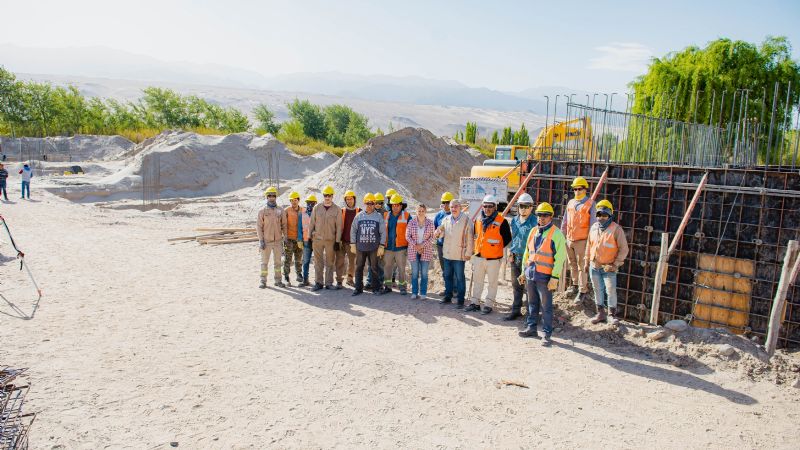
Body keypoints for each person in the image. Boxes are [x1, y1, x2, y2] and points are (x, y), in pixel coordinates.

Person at [518, 202, 567, 346]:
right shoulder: (533, 231)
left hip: (545, 277)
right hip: (531, 274)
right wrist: (523, 272)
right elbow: (527, 252)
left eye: (545, 215)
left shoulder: (556, 234)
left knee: (546, 307)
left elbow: (560, 258)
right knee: (532, 303)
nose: (542, 218)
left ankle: (546, 334)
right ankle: (531, 328)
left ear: (551, 217)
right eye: (539, 215)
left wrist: (555, 277)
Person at [585, 200, 629, 325]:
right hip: (594, 266)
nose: (601, 217)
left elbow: (624, 249)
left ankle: (611, 315)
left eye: (604, 215)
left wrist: (615, 265)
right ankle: (600, 313)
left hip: (608, 268)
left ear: (610, 215)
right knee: (597, 289)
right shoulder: (594, 228)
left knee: (610, 291)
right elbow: (589, 245)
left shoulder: (616, 229)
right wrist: (586, 262)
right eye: (599, 215)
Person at [466, 194, 512, 315]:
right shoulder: (478, 220)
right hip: (479, 257)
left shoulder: (502, 221)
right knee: (478, 281)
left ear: (495, 207)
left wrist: (495, 248)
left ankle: (488, 304)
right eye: (485, 206)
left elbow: (507, 239)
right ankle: (475, 303)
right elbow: (477, 236)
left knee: (492, 283)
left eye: (490, 206)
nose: (487, 209)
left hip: (493, 259)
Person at [561, 176, 596, 303]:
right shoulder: (570, 203)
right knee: (572, 264)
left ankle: (582, 290)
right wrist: (562, 235)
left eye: (579, 189)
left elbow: (593, 225)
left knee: (582, 266)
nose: (577, 191)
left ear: (585, 189)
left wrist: (590, 243)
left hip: (582, 240)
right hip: (570, 239)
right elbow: (565, 221)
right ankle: (575, 285)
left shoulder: (590, 204)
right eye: (575, 189)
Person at [434, 199, 474, 308]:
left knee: (460, 277)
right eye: (452, 207)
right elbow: (441, 234)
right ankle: (448, 296)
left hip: (460, 254)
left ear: (460, 207)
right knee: (447, 276)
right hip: (447, 253)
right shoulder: (446, 219)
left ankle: (460, 300)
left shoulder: (466, 220)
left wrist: (469, 253)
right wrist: (437, 233)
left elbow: (470, 238)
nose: (453, 209)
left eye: (456, 206)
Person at [504, 193, 537, 321]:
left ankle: (530, 314)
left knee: (530, 288)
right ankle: (516, 310)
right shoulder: (515, 221)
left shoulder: (535, 222)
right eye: (521, 206)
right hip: (515, 257)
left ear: (531, 207)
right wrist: (511, 253)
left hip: (528, 259)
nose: (523, 209)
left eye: (526, 206)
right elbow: (514, 238)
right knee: (516, 286)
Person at [350, 193, 386, 296]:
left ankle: (376, 288)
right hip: (361, 247)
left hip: (373, 248)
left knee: (374, 268)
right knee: (359, 267)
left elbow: (383, 232)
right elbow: (353, 230)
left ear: (374, 204)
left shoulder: (378, 216)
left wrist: (381, 245)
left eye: (371, 203)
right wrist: (353, 243)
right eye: (367, 203)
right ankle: (358, 288)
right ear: (364, 203)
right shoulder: (359, 216)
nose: (369, 205)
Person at [309, 185, 343, 291]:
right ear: (323, 196)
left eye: (329, 195)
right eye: (325, 195)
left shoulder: (337, 209)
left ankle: (328, 283)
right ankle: (318, 283)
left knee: (330, 262)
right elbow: (312, 223)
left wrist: (337, 241)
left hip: (330, 241)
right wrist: (310, 238)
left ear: (332, 196)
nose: (327, 197)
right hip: (317, 240)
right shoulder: (317, 208)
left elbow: (339, 226)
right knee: (318, 262)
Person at [257, 187, 287, 289]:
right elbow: (259, 227)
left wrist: (285, 238)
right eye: (269, 195)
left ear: (276, 196)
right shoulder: (262, 211)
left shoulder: (280, 210)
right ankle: (263, 281)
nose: (271, 197)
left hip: (278, 241)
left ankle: (278, 280)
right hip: (266, 241)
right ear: (267, 197)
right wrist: (261, 240)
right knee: (264, 262)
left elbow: (284, 225)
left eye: (273, 195)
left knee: (278, 263)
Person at [382, 194, 410, 294]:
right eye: (393, 205)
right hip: (388, 247)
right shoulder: (386, 215)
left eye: (397, 205)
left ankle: (402, 287)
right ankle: (388, 286)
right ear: (391, 206)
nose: (395, 207)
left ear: (401, 206)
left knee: (401, 267)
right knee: (387, 267)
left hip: (401, 247)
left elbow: (411, 230)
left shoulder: (407, 216)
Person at [406, 204, 436, 300]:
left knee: (424, 273)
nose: (421, 212)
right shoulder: (411, 222)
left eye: (422, 211)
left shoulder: (430, 223)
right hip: (413, 250)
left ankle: (423, 293)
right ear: (416, 211)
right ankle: (414, 292)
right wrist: (416, 245)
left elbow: (432, 237)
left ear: (425, 212)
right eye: (419, 211)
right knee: (414, 272)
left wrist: (422, 245)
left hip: (426, 250)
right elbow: (407, 236)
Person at [336, 190, 360, 288]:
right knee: (340, 261)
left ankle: (350, 279)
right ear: (345, 200)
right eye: (347, 199)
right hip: (342, 241)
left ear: (354, 199)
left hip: (353, 243)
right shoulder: (342, 211)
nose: (349, 201)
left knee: (352, 262)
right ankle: (339, 281)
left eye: (351, 199)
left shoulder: (359, 211)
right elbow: (337, 226)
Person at [282, 191, 304, 286]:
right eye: (292, 200)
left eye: (295, 200)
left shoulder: (303, 210)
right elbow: (283, 224)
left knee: (298, 258)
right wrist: (285, 237)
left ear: (298, 200)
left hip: (299, 239)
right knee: (288, 258)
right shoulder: (286, 210)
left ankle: (299, 274)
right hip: (289, 239)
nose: (294, 202)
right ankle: (286, 276)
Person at [434, 192, 453, 296]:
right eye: (444, 203)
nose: (446, 205)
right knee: (444, 268)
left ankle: (455, 289)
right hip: (441, 245)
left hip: (452, 245)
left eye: (448, 203)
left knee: (453, 267)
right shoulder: (439, 215)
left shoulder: (455, 215)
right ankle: (447, 289)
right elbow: (434, 229)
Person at [366, 192, 387, 288]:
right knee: (371, 263)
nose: (378, 205)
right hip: (371, 242)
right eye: (376, 203)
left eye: (380, 203)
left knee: (380, 265)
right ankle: (369, 282)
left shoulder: (386, 214)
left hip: (382, 243)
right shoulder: (370, 213)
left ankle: (380, 282)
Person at [300, 194, 317, 286]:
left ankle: (318, 281)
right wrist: (299, 239)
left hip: (316, 241)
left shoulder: (319, 213)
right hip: (306, 241)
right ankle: (305, 280)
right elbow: (300, 227)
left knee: (317, 262)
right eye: (308, 203)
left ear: (315, 203)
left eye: (312, 203)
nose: (310, 204)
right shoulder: (302, 213)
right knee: (306, 261)